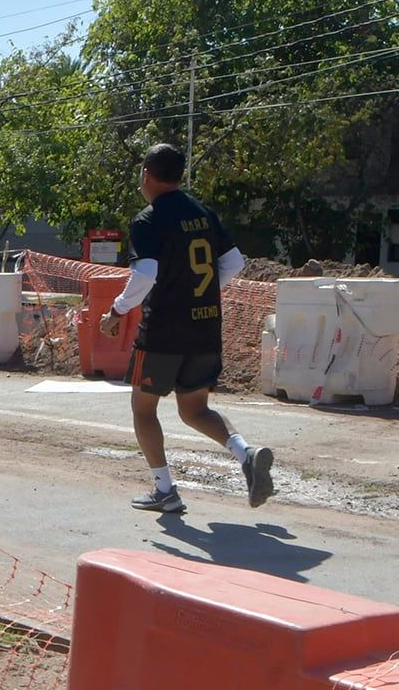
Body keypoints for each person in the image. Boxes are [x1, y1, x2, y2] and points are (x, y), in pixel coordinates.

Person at [99, 143, 274, 515]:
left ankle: (165, 490)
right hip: (205, 328)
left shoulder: (148, 219)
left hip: (163, 330)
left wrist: (116, 311)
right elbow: (235, 262)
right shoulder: (202, 212)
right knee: (194, 410)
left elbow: (146, 273)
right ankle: (247, 454)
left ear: (146, 174)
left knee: (143, 409)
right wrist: (201, 293)